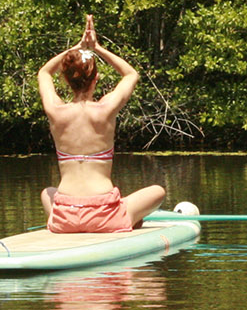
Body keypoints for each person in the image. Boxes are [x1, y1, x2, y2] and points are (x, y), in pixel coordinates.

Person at [36, 16, 164, 233]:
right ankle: (125, 217)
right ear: (95, 78)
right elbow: (131, 74)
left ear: (66, 80)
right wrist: (97, 48)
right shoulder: (106, 109)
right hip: (104, 213)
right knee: (158, 191)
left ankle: (74, 221)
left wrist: (77, 48)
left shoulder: (55, 111)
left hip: (65, 214)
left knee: (47, 191)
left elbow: (44, 72)